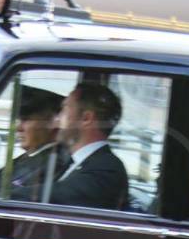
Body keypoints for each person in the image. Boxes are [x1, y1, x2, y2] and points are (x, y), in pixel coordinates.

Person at [0, 86, 70, 201]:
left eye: (26, 120)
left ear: (55, 122)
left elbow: (0, 200)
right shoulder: (32, 157)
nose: (18, 128)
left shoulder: (53, 164)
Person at [48, 82, 130, 210]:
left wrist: (7, 193)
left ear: (86, 118)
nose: (57, 119)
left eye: (64, 110)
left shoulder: (107, 169)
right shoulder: (77, 162)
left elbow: (55, 195)